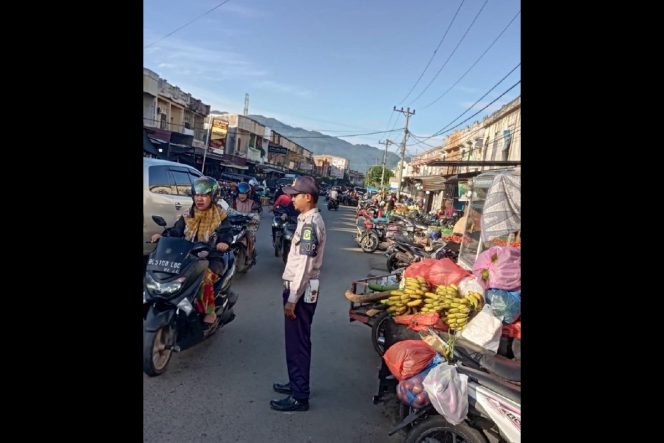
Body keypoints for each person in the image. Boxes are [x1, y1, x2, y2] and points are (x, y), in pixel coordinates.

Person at [270, 176, 326, 412]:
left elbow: (304, 264)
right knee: (297, 341)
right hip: (302, 290)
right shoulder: (306, 220)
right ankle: (296, 383)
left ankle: (299, 396)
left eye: (295, 195)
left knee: (297, 343)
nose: (291, 198)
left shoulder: (310, 225)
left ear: (308, 198)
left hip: (300, 293)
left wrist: (292, 299)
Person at [150, 176, 232, 326]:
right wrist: (162, 236)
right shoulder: (188, 214)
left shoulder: (220, 215)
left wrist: (223, 242)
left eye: (204, 195)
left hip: (212, 257)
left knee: (204, 278)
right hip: (187, 255)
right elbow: (176, 231)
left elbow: (227, 232)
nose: (199, 199)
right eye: (197, 195)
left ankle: (210, 311)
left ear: (212, 197)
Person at [232, 182, 259, 265]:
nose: (242, 196)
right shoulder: (234, 202)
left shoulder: (252, 203)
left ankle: (249, 255)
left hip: (248, 224)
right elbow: (229, 211)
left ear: (248, 194)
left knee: (249, 237)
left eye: (244, 193)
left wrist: (252, 218)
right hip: (235, 223)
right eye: (240, 193)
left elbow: (255, 215)